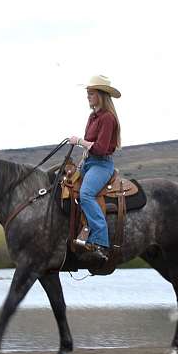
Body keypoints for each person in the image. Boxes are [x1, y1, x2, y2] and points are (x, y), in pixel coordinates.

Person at [68, 75, 122, 262]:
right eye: (88, 93)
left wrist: (79, 141)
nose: (88, 96)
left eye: (92, 93)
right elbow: (90, 148)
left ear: (101, 95)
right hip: (89, 163)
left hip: (102, 164)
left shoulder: (108, 118)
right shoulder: (93, 117)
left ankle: (100, 241)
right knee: (66, 188)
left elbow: (99, 148)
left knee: (86, 194)